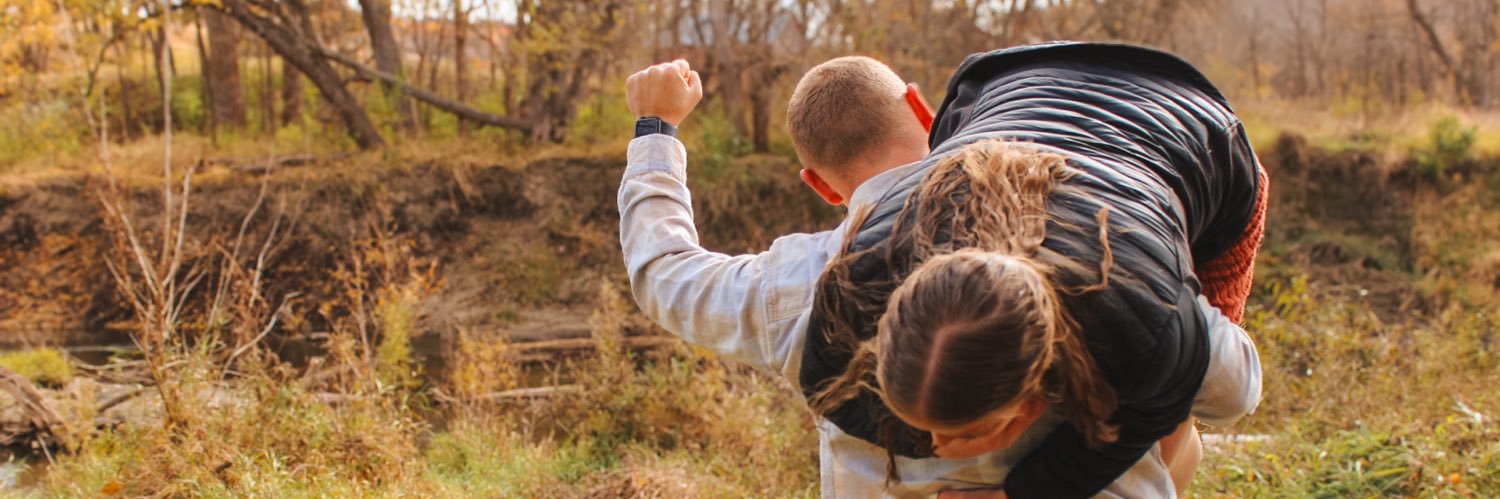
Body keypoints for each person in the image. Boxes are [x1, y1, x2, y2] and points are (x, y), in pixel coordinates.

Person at [620, 47, 1259, 497]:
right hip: (1081, 113)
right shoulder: (836, 293)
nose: (947, 447)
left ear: (818, 185)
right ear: (927, 113)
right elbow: (1231, 391)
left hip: (1193, 149)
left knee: (1171, 382)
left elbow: (663, 271)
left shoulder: (1126, 290)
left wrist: (656, 129)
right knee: (1187, 406)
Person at [802, 43, 1270, 498]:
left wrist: (1023, 492)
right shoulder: (858, 274)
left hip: (1193, 128)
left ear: (1032, 405)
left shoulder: (1147, 322)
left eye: (963, 435)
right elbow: (824, 387)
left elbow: (1147, 414)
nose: (940, 450)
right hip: (998, 84)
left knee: (1190, 397)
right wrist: (919, 435)